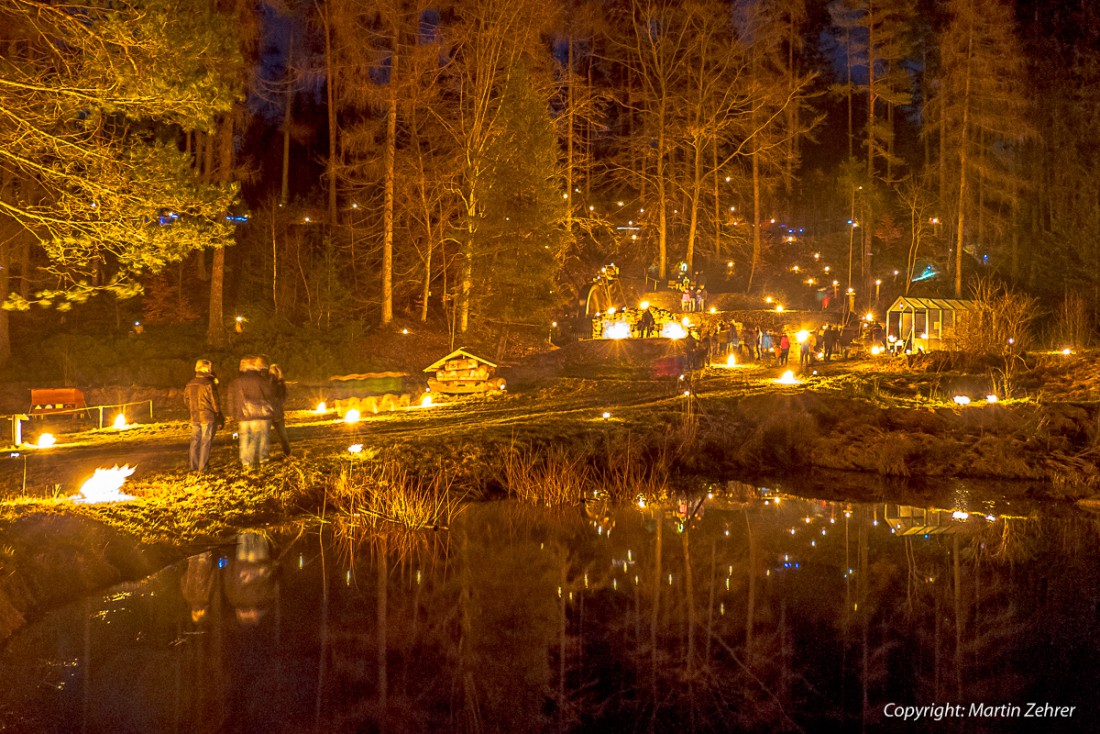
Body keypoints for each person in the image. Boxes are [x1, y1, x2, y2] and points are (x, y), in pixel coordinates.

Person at [229, 355, 275, 469]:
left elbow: (231, 399)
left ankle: (246, 462)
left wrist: (233, 414)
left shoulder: (236, 382)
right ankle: (262, 459)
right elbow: (270, 394)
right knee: (260, 438)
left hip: (243, 416)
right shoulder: (261, 380)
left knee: (244, 439)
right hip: (260, 414)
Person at [184, 359, 222, 472]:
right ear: (206, 369)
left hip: (195, 416)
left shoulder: (189, 384)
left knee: (195, 441)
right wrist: (218, 414)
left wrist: (193, 409)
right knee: (205, 442)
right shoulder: (208, 384)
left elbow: (186, 400)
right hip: (207, 417)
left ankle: (193, 466)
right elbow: (214, 401)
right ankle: (203, 467)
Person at [268, 363, 291, 457]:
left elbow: (283, 396)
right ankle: (287, 452)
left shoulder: (277, 383)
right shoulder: (279, 383)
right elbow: (284, 396)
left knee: (281, 434)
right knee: (282, 434)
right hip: (275, 411)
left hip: (272, 412)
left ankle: (287, 452)